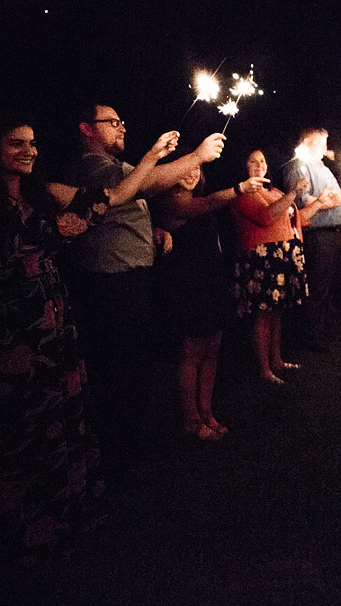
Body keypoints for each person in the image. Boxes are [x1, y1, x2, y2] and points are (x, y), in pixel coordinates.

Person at [61, 103, 225, 468]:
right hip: (111, 284)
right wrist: (197, 155)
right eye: (112, 122)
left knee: (135, 366)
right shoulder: (94, 166)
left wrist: (153, 229)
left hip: (130, 279)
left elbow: (123, 207)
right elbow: (144, 184)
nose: (121, 128)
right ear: (87, 129)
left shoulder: (115, 168)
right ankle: (121, 456)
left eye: (123, 121)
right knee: (120, 371)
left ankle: (132, 446)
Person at [0, 115, 132, 565]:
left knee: (64, 413)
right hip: (15, 331)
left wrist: (153, 158)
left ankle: (72, 510)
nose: (28, 151)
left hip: (52, 319)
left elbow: (102, 201)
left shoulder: (40, 193)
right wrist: (57, 232)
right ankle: (33, 531)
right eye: (17, 143)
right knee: (25, 430)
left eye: (33, 142)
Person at [152, 165, 266, 440]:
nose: (192, 174)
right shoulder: (171, 203)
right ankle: (190, 418)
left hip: (212, 280)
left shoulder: (200, 202)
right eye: (186, 168)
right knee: (192, 352)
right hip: (188, 283)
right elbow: (200, 207)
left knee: (213, 349)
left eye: (197, 168)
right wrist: (239, 189)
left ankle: (206, 411)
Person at [231, 150, 341, 384]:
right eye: (253, 161)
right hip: (262, 258)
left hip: (283, 255)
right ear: (244, 166)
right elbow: (267, 217)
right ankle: (264, 369)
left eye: (263, 160)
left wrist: (320, 202)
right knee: (263, 313)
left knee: (277, 311)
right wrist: (294, 192)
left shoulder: (275, 192)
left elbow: (297, 218)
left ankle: (277, 360)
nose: (259, 164)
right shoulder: (244, 195)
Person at [282, 128, 341, 351]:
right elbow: (302, 200)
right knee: (317, 288)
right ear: (307, 142)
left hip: (330, 233)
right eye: (321, 142)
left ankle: (324, 330)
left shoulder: (322, 167)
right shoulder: (300, 165)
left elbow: (331, 197)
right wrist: (333, 200)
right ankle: (311, 337)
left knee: (331, 285)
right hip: (315, 235)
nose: (325, 147)